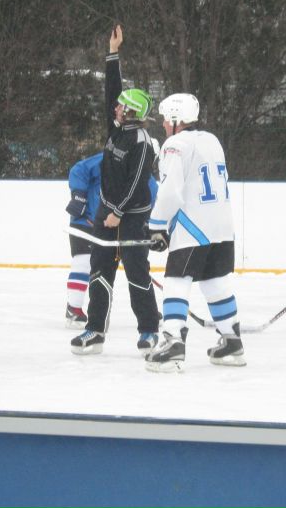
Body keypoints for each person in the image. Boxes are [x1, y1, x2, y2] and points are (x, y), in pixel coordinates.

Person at [70, 25, 160, 355]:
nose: (116, 108)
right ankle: (95, 330)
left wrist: (116, 213)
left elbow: (137, 182)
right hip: (104, 214)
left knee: (137, 274)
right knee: (100, 272)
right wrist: (113, 54)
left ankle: (149, 329)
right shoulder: (117, 129)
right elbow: (112, 91)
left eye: (122, 106)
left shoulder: (142, 142)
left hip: (131, 218)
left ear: (133, 112)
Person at [143, 94, 245, 372]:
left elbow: (170, 190)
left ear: (177, 120)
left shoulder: (175, 145)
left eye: (166, 119)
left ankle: (173, 341)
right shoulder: (212, 140)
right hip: (222, 227)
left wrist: (157, 225)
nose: (163, 124)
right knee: (214, 281)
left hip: (194, 228)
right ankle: (231, 341)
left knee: (177, 279)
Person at [64, 149, 159, 329]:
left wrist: (141, 228)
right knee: (84, 261)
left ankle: (148, 312)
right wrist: (79, 197)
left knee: (134, 269)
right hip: (85, 221)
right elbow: (78, 170)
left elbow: (147, 211)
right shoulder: (109, 159)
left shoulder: (151, 185)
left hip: (113, 230)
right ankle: (73, 308)